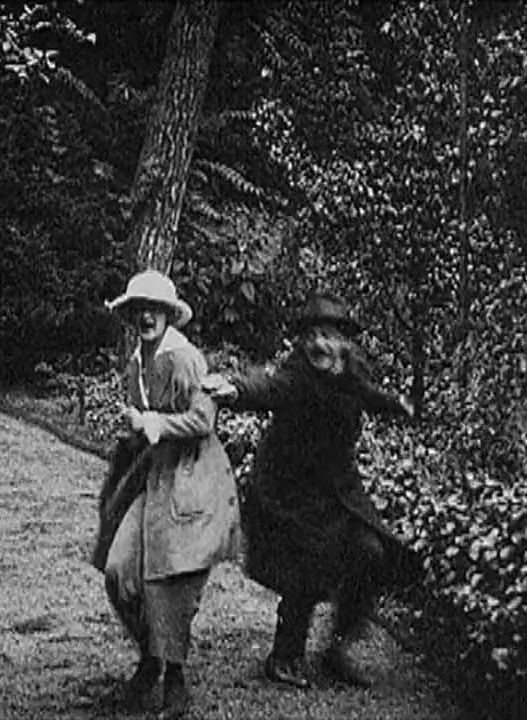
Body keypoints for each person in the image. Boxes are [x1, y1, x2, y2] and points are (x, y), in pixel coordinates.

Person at [204, 292, 422, 690]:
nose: (320, 344)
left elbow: (366, 394)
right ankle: (284, 656)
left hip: (336, 489)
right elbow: (268, 387)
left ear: (345, 342)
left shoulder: (352, 371)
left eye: (329, 336)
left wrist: (399, 405)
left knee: (370, 553)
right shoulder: (299, 374)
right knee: (305, 564)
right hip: (289, 488)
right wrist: (235, 389)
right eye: (313, 336)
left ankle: (337, 648)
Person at [92, 269, 242, 717]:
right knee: (119, 570)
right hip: (154, 473)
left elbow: (203, 420)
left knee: (172, 574)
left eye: (155, 309)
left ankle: (174, 675)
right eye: (139, 309)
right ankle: (151, 655)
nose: (146, 317)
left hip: (192, 473)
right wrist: (132, 438)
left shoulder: (184, 358)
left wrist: (155, 423)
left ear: (168, 314)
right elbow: (139, 424)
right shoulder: (137, 362)